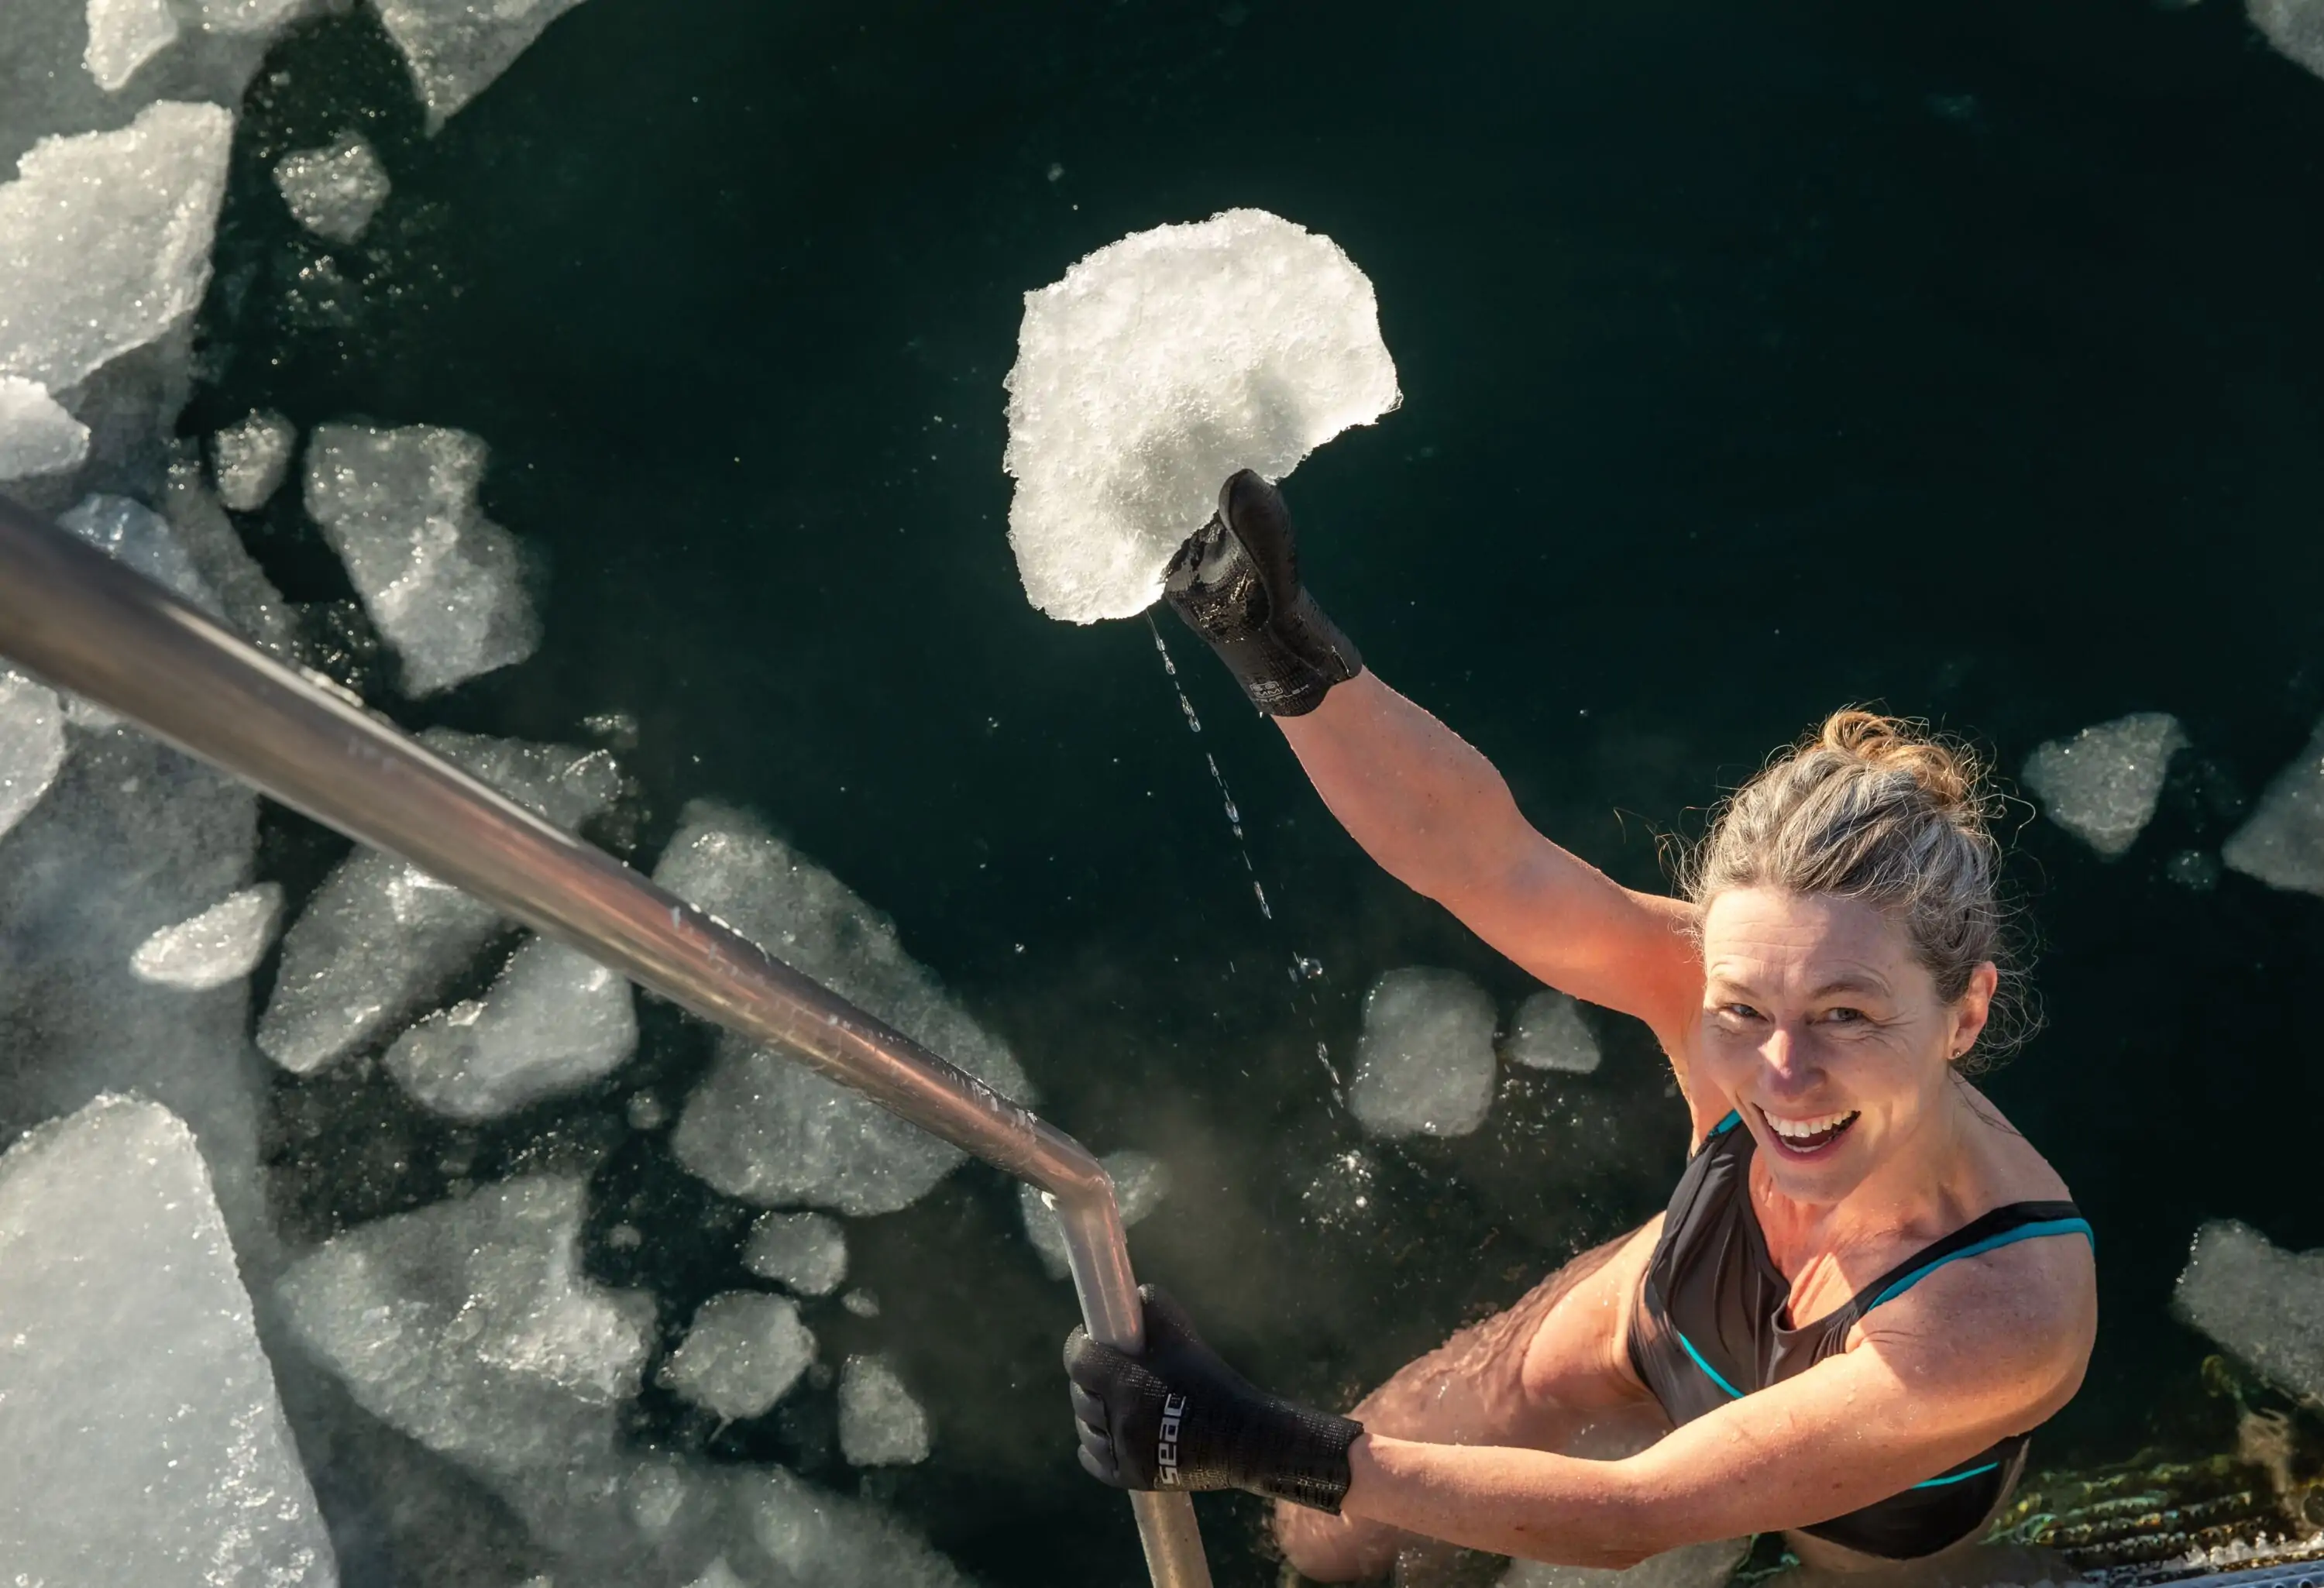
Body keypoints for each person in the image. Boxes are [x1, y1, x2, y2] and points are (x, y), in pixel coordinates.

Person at [1062, 471, 2098, 1578]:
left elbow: (1636, 1509)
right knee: (1326, 1534)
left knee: (1306, 1458)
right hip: (1664, 1318)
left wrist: (1258, 1437)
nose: (1782, 1071)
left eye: (1846, 1014)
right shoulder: (1711, 990)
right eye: (1742, 1008)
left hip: (1867, 1531)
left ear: (1965, 1011)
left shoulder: (2006, 1310)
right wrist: (1281, 649)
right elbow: (1483, 857)